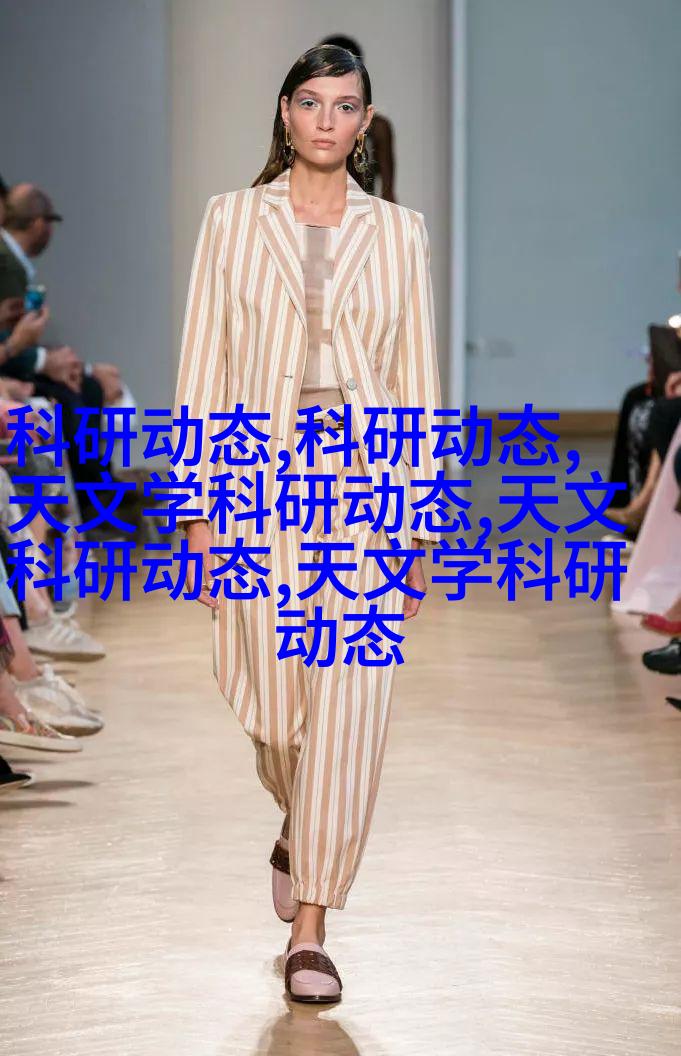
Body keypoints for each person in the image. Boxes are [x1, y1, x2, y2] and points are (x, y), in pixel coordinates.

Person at [172, 43, 443, 1003]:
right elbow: (204, 364)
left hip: (365, 483)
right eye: (311, 102)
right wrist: (196, 513)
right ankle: (299, 821)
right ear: (284, 113)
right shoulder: (230, 220)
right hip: (254, 477)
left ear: (364, 123)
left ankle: (313, 929)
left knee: (351, 703)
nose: (327, 120)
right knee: (274, 707)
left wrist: (417, 528)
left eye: (346, 105)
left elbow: (415, 379)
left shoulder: (399, 232)